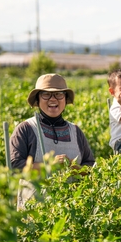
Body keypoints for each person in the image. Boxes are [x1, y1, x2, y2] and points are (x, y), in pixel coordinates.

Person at [10, 73, 95, 207]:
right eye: (46, 94)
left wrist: (73, 168)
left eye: (59, 94)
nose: (53, 99)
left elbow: (91, 167)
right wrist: (49, 166)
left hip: (73, 214)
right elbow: (15, 166)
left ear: (66, 99)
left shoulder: (75, 131)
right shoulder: (26, 129)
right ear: (37, 100)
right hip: (34, 212)